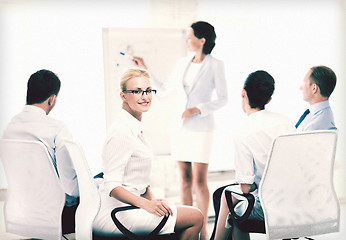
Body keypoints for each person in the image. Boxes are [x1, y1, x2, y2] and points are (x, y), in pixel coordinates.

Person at [133, 21, 228, 239]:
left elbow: (223, 99)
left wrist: (198, 109)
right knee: (184, 179)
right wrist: (145, 68)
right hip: (180, 127)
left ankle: (203, 230)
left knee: (199, 180)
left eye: (189, 36)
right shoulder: (183, 63)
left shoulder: (216, 65)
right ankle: (189, 224)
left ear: (202, 40)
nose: (186, 40)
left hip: (202, 127)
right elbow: (165, 90)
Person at [92, 68, 203, 240]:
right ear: (123, 96)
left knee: (183, 215)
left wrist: (155, 200)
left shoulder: (133, 126)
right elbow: (112, 186)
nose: (145, 96)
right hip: (115, 213)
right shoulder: (122, 131)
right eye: (137, 91)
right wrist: (147, 205)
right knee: (195, 217)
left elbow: (137, 180)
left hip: (130, 206)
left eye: (148, 90)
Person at [212, 70, 295, 240]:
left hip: (269, 209)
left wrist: (249, 183)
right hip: (296, 203)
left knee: (227, 198)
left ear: (243, 93)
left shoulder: (243, 132)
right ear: (269, 99)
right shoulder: (285, 121)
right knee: (226, 196)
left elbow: (245, 188)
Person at [2, 69, 79, 234]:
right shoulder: (57, 128)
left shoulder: (9, 127)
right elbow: (70, 190)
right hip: (56, 216)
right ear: (52, 99)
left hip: (19, 212)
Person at [295, 65, 337, 131]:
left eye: (304, 82)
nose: (300, 88)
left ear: (314, 88)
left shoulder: (318, 125)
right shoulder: (316, 115)